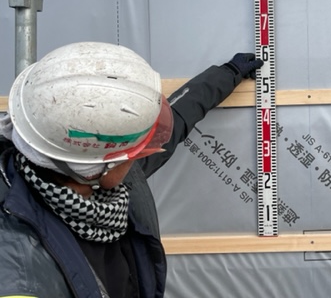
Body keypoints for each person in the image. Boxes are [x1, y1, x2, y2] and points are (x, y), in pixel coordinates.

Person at [0, 41, 263, 297]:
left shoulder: (98, 177)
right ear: (96, 168)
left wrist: (226, 74)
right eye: (134, 152)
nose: (142, 154)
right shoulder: (21, 274)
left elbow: (176, 120)